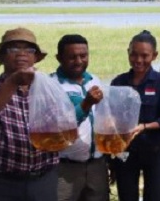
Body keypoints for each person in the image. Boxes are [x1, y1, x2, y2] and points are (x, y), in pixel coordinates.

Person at [0, 28, 60, 201]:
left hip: (44, 179)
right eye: (13, 49)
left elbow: (63, 124)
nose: (21, 54)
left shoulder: (48, 87)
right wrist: (13, 81)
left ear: (36, 57)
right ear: (1, 57)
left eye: (28, 50)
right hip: (2, 182)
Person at [110, 30, 160, 201]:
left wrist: (144, 127)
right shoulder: (118, 83)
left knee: (153, 196)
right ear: (128, 53)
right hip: (126, 151)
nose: (138, 60)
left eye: (144, 56)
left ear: (154, 55)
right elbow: (110, 116)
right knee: (126, 195)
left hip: (155, 150)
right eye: (134, 54)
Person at [51, 34, 107, 201]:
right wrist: (86, 104)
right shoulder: (52, 85)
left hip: (96, 164)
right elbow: (59, 127)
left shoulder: (94, 80)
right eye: (72, 57)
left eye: (83, 56)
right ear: (59, 58)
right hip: (64, 168)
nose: (79, 61)